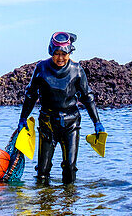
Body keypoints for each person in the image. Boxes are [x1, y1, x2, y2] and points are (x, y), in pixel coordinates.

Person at [17, 32, 104, 184]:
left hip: (71, 124)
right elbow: (31, 95)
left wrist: (96, 122)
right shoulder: (41, 68)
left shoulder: (77, 70)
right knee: (43, 170)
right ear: (51, 51)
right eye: (56, 54)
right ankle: (44, 205)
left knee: (70, 167)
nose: (60, 58)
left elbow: (87, 97)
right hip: (48, 123)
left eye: (64, 54)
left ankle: (68, 205)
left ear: (70, 52)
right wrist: (23, 118)